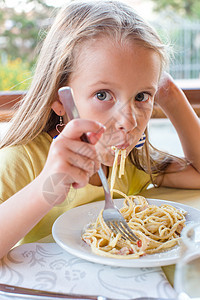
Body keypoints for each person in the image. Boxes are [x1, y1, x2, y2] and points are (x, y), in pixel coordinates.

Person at [0, 0, 199, 259]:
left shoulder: (133, 163)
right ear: (60, 100)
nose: (128, 122)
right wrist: (46, 188)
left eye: (141, 96)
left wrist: (170, 95)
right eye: (103, 95)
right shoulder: (22, 159)